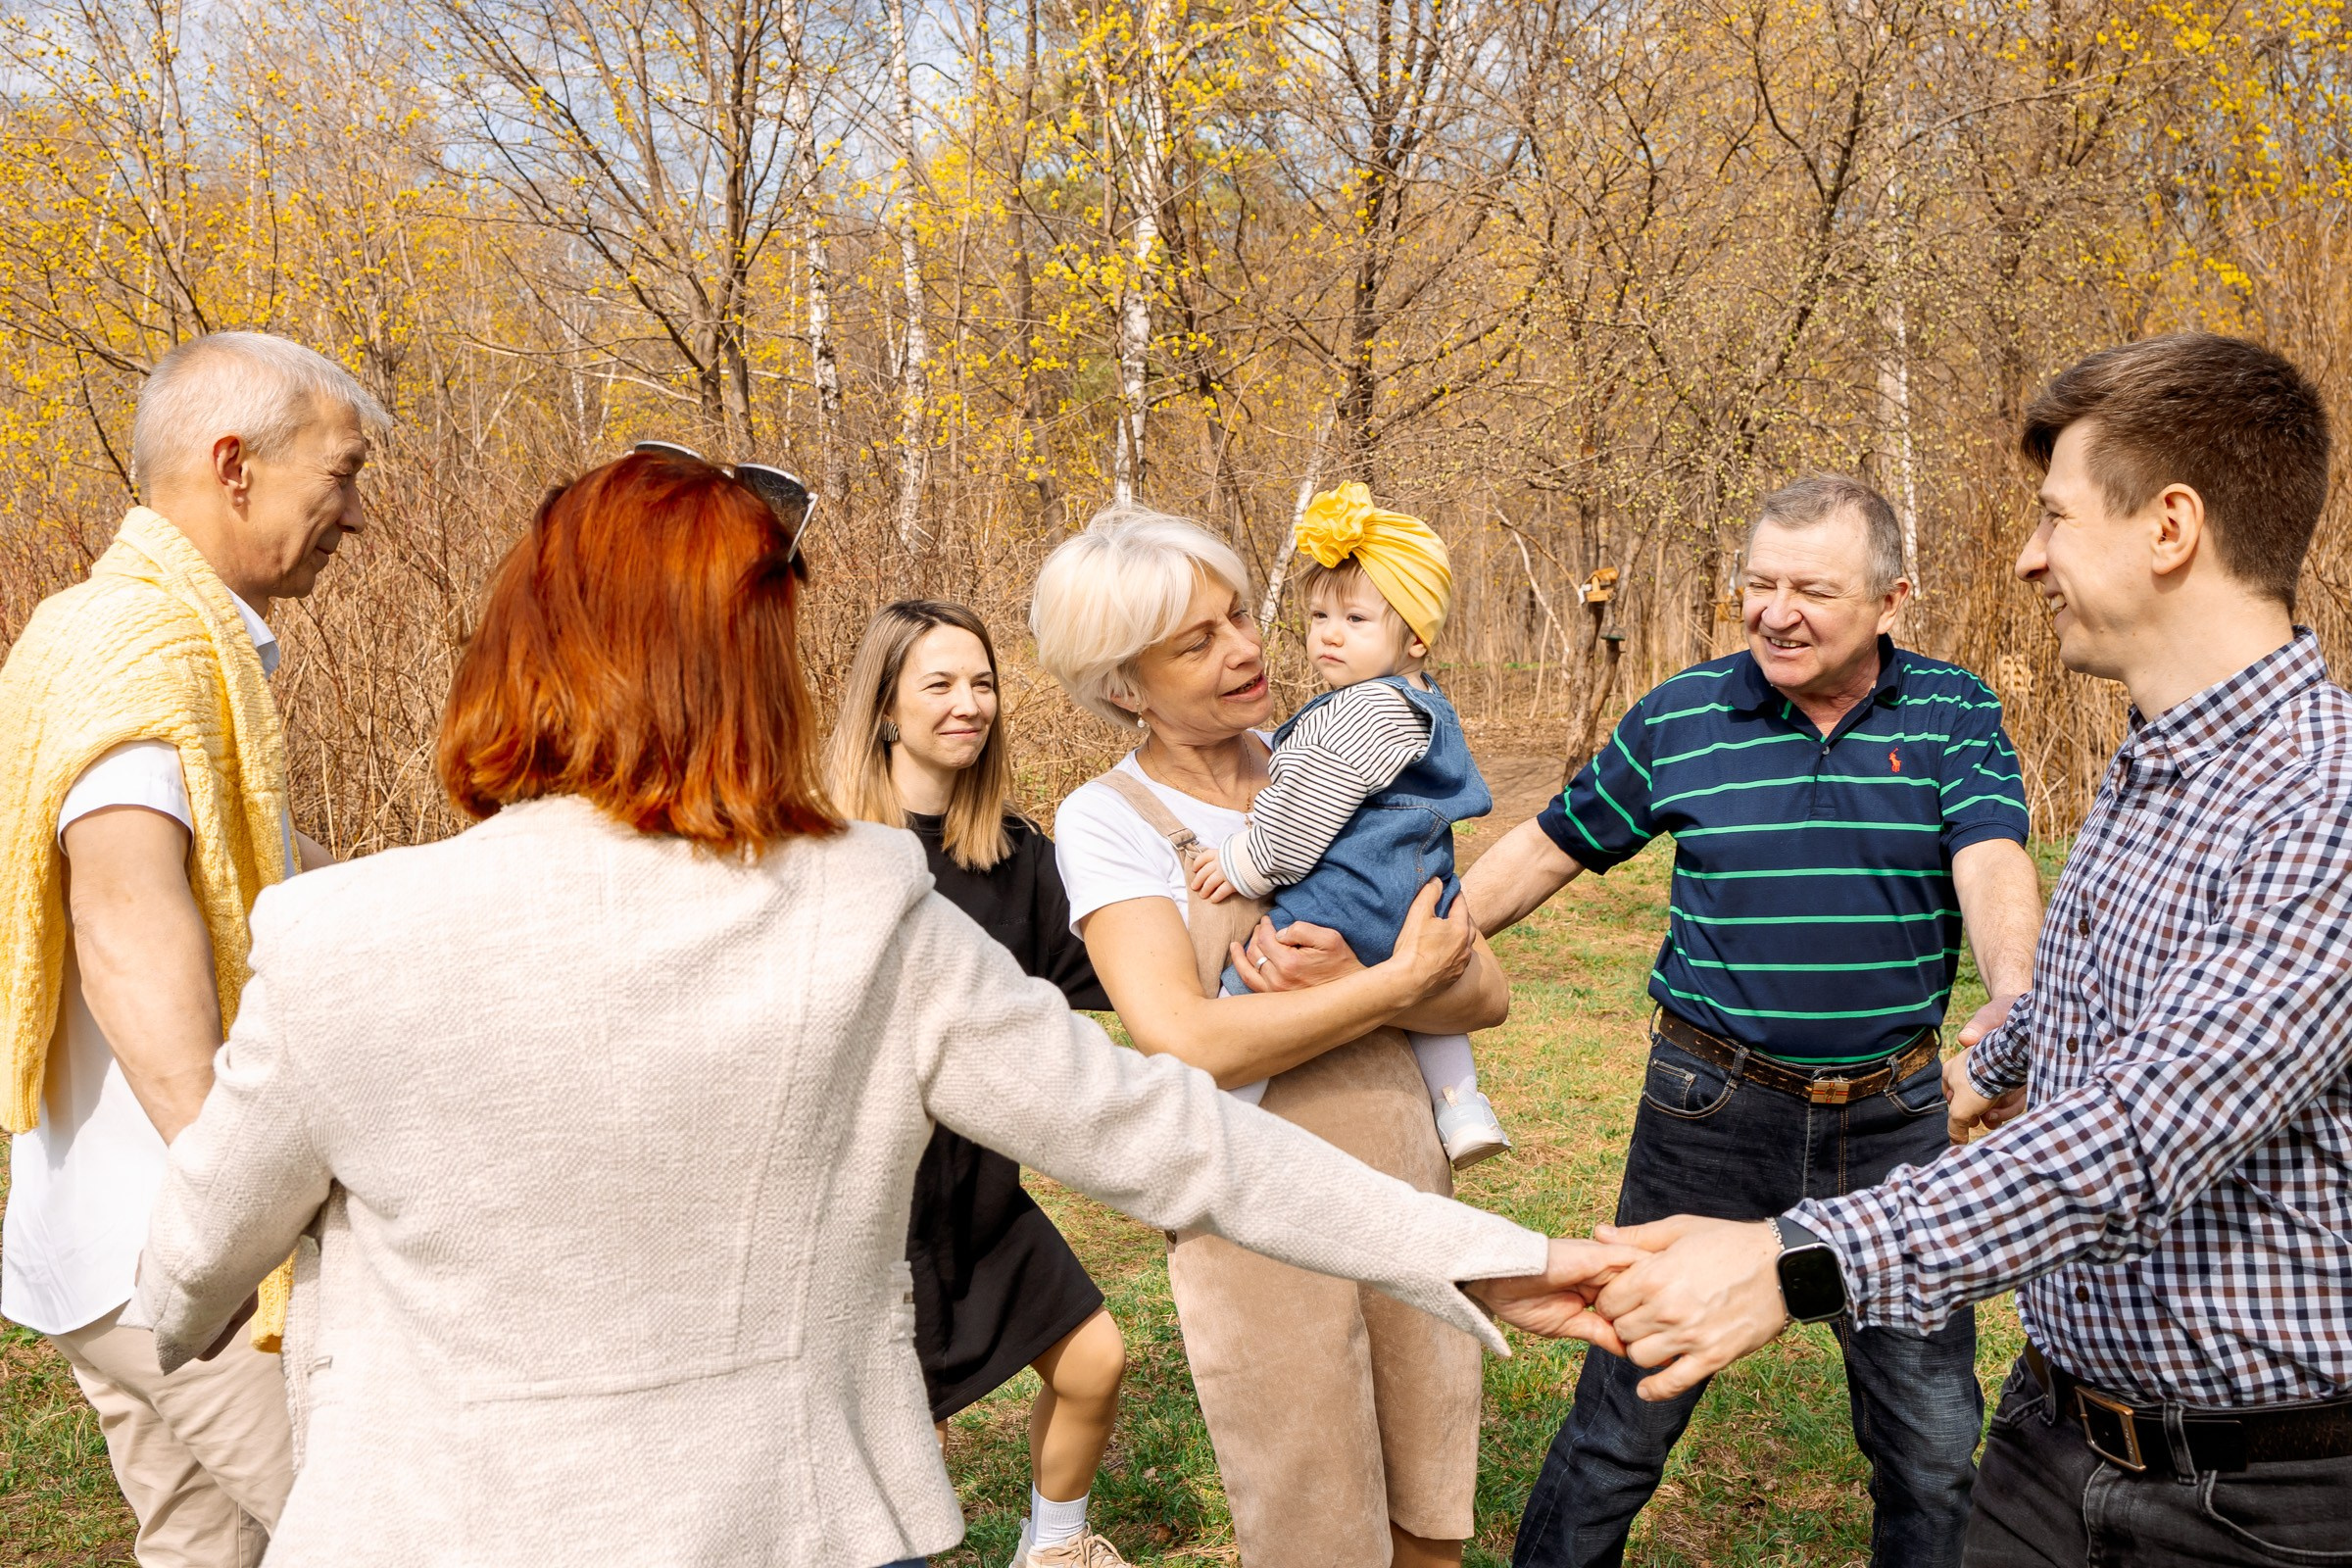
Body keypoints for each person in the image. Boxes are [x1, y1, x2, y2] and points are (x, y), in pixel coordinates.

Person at [131, 449, 1636, 1568]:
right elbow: (1177, 1141)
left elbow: (184, 1282)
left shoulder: (334, 936)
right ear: (754, 674)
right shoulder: (858, 906)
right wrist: (1495, 1258)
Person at [1591, 334, 2351, 1566]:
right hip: (2054, 1439)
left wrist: (1794, 1261)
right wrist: (1994, 1064)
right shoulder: (2153, 763)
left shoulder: (2326, 801)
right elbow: (2121, 1005)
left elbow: (2141, 1131)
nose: (2028, 554)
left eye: (2054, 515)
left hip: (2254, 1501)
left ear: (2170, 528)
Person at [1461, 473, 2044, 1568]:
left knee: (1929, 1439)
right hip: (1709, 1109)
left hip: (1897, 1118)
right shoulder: (1685, 714)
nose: (1776, 610)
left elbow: (1991, 851)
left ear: (1891, 600)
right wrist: (1418, 952)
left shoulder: (1954, 710)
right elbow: (1551, 844)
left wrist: (2015, 993)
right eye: (1759, 583)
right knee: (1626, 1412)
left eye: (1812, 589)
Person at [1036, 505, 1524, 1568]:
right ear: (1124, 685)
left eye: (1241, 617)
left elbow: (1480, 990)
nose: (1248, 649)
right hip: (1254, 1200)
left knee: (1427, 1488)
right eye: (1196, 641)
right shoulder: (1106, 819)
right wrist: (1391, 982)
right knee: (1312, 1507)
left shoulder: (1346, 751)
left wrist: (1377, 980)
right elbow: (1183, 1040)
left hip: (1403, 1167)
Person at [0, 331, 382, 1567]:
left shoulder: (86, 628)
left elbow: (245, 853)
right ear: (235, 465)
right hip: (184, 1265)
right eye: (341, 475)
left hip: (89, 1250)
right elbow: (123, 923)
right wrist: (242, 1208)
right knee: (391, 1539)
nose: (356, 516)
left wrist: (450, 886)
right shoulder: (150, 650)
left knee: (203, 1554)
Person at [825, 598, 1132, 1568]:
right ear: (883, 707)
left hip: (978, 1191)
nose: (970, 704)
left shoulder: (1013, 852)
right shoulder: (819, 851)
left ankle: (1054, 1550)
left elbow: (1116, 974)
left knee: (1095, 1359)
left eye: (984, 681)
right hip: (861, 1206)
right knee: (900, 1454)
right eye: (941, 684)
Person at [1188, 483, 1509, 1167]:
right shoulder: (1424, 705)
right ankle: (1463, 1106)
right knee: (1425, 987)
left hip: (1352, 895)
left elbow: (1305, 818)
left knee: (1251, 978)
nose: (1329, 633)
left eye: (1356, 619)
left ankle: (1214, 1125)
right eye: (1318, 615)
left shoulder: (1362, 711)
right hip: (1420, 894)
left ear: (1415, 637)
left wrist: (1246, 863)